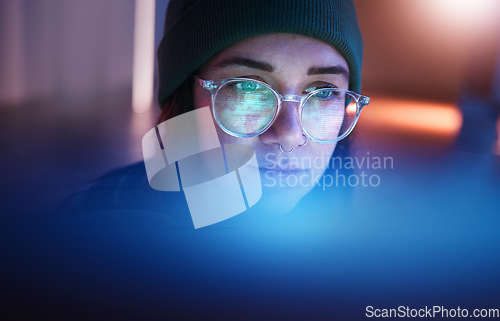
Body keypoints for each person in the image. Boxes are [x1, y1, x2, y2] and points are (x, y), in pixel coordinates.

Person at [59, 0, 369, 228]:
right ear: (183, 96)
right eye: (246, 88)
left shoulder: (367, 265)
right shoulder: (90, 227)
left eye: (325, 92)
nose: (289, 134)